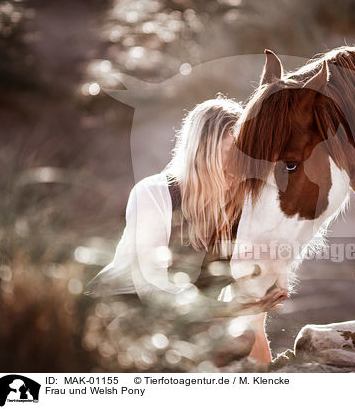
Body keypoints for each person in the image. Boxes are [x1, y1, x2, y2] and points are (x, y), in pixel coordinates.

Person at [86, 98, 287, 365]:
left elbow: (254, 328)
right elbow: (151, 286)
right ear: (199, 154)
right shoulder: (155, 193)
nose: (236, 168)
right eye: (228, 155)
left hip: (188, 328)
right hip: (115, 317)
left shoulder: (244, 212)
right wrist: (224, 310)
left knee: (241, 336)